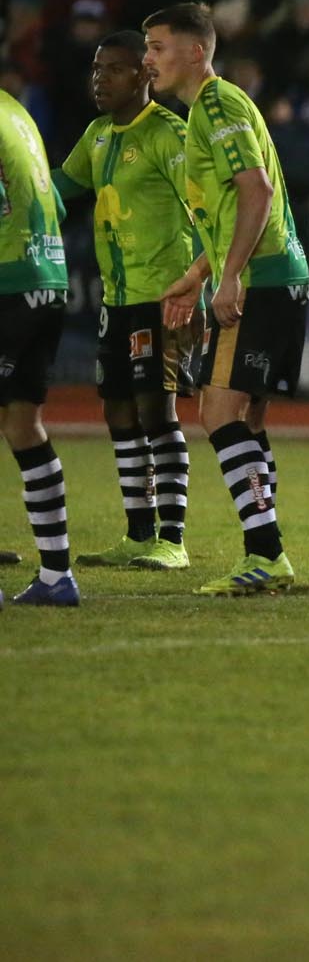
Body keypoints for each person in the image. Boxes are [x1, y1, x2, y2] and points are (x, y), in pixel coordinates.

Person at [144, 2, 309, 596]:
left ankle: (266, 553)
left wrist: (231, 275)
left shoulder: (216, 104)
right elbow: (231, 206)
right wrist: (200, 272)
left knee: (216, 412)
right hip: (274, 273)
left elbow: (255, 190)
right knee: (246, 416)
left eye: (158, 47)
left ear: (196, 51)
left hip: (261, 278)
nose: (148, 60)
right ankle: (268, 552)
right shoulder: (209, 112)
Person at [52, 31, 199, 569]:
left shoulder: (167, 134)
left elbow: (204, 208)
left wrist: (198, 283)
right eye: (96, 70)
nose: (100, 79)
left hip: (161, 296)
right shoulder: (96, 135)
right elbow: (62, 188)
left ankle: (173, 538)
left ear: (142, 75)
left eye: (113, 69)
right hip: (117, 299)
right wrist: (17, 187)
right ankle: (138, 533)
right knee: (117, 411)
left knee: (156, 410)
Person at [0, 83, 77, 605]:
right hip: (46, 276)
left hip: (7, 281)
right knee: (24, 425)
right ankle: (56, 576)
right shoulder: (17, 111)